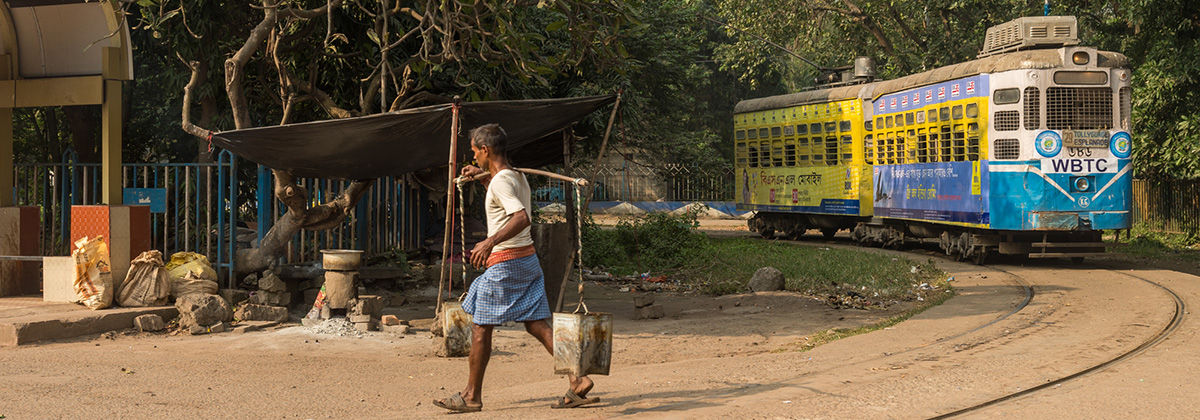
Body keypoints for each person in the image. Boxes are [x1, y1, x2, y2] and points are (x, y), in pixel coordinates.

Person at [433, 123, 598, 413]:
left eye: (475, 153)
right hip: (527, 261)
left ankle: (471, 396)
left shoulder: (501, 181)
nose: (474, 159)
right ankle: (578, 379)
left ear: (485, 150)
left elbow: (520, 218)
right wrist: (481, 178)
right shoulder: (515, 177)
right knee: (537, 324)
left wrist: (488, 241)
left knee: (481, 327)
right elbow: (501, 199)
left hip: (506, 263)